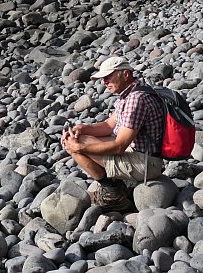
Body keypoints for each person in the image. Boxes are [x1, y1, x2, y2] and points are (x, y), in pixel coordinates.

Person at [60, 55, 165, 208]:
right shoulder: (131, 93)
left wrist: (79, 147)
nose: (104, 82)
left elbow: (119, 146)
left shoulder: (136, 100)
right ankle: (118, 185)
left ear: (126, 74)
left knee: (74, 144)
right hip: (142, 153)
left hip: (146, 163)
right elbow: (109, 126)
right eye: (103, 78)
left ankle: (113, 193)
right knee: (76, 137)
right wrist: (80, 128)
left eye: (108, 77)